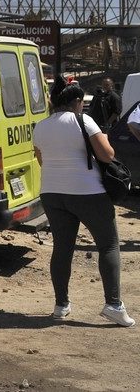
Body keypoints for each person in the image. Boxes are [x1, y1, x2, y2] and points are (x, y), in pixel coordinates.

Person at [32, 76, 134, 327]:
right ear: (77, 101)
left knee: (62, 248)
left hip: (52, 193)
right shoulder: (83, 120)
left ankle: (61, 305)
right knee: (108, 246)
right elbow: (107, 155)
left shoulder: (40, 126)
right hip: (87, 192)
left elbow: (41, 159)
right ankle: (113, 305)